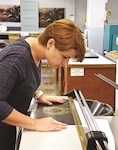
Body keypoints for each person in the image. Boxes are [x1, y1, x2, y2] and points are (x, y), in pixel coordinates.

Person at [0, 19, 85, 150]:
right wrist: (34, 123)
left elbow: (18, 79)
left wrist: (37, 94)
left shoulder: (35, 49)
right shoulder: (17, 58)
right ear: (51, 43)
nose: (65, 64)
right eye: (64, 57)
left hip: (8, 125)